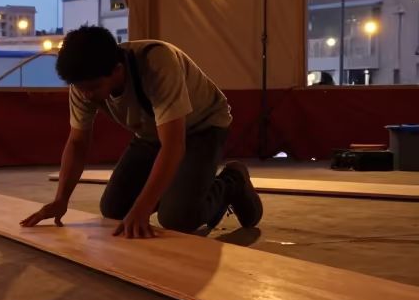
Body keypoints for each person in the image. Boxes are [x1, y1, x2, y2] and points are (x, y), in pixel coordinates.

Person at [20, 26, 262, 239]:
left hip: (202, 128)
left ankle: (232, 181)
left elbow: (174, 145)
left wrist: (143, 207)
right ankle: (179, 192)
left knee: (177, 218)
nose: (87, 95)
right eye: (81, 88)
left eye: (94, 87)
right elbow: (78, 143)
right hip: (150, 135)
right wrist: (61, 199)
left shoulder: (157, 62)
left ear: (117, 70)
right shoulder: (84, 84)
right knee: (114, 210)